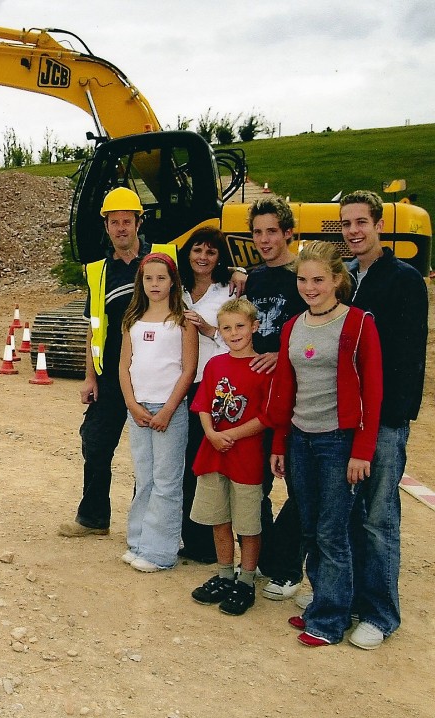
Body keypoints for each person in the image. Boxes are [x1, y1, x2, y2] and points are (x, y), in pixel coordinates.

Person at [268, 241, 382, 647]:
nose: (310, 287)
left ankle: (331, 619)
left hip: (338, 442)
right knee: (313, 529)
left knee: (334, 532)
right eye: (303, 279)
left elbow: (373, 391)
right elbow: (284, 388)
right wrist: (280, 443)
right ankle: (322, 603)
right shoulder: (292, 327)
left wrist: (362, 451)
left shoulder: (358, 323)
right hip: (300, 439)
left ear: (337, 280)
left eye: (318, 279)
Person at [59, 187, 173, 538]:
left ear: (139, 222)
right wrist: (89, 378)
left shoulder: (164, 259)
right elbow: (95, 327)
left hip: (154, 374)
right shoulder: (98, 271)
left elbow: (201, 278)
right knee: (95, 443)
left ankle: (147, 527)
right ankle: (94, 517)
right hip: (110, 375)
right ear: (106, 227)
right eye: (114, 222)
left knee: (151, 456)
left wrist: (237, 273)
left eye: (127, 221)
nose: (121, 228)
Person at [341, 190, 428, 649]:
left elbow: (409, 357)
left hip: (384, 421)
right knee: (349, 513)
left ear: (378, 225)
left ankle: (380, 613)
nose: (354, 231)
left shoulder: (404, 280)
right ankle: (352, 599)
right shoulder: (346, 279)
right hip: (345, 418)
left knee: (378, 516)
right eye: (347, 224)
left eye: (361, 222)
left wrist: (391, 419)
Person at [243, 197, 307, 601]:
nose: (264, 240)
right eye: (257, 232)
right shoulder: (252, 280)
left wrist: (281, 357)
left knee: (301, 487)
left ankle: (286, 564)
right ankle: (268, 561)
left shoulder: (304, 277)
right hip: (257, 398)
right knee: (258, 483)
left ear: (287, 232)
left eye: (271, 231)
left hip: (299, 398)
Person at [188, 297, 269, 615]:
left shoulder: (262, 368)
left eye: (240, 326)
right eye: (226, 328)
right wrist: (210, 433)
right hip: (213, 454)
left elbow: (266, 416)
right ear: (218, 331)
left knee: (247, 524)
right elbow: (204, 404)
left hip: (245, 457)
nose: (234, 333)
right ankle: (224, 574)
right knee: (219, 519)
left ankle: (246, 581)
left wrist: (231, 435)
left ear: (254, 327)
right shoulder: (215, 365)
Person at [118, 252, 198, 571]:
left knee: (167, 480)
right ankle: (139, 540)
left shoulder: (182, 321)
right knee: (145, 477)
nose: (154, 284)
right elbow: (124, 367)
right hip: (139, 411)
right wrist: (132, 404)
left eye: (161, 278)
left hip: (169, 411)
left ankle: (161, 551)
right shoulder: (132, 320)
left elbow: (188, 370)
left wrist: (168, 409)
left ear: (172, 282)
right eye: (148, 278)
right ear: (141, 282)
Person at [177, 227, 236, 563]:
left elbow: (239, 337)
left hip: (212, 388)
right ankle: (185, 536)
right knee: (182, 466)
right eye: (197, 249)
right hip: (178, 385)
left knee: (205, 467)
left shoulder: (229, 290)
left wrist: (208, 329)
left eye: (210, 252)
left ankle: (207, 545)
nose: (202, 257)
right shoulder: (178, 289)